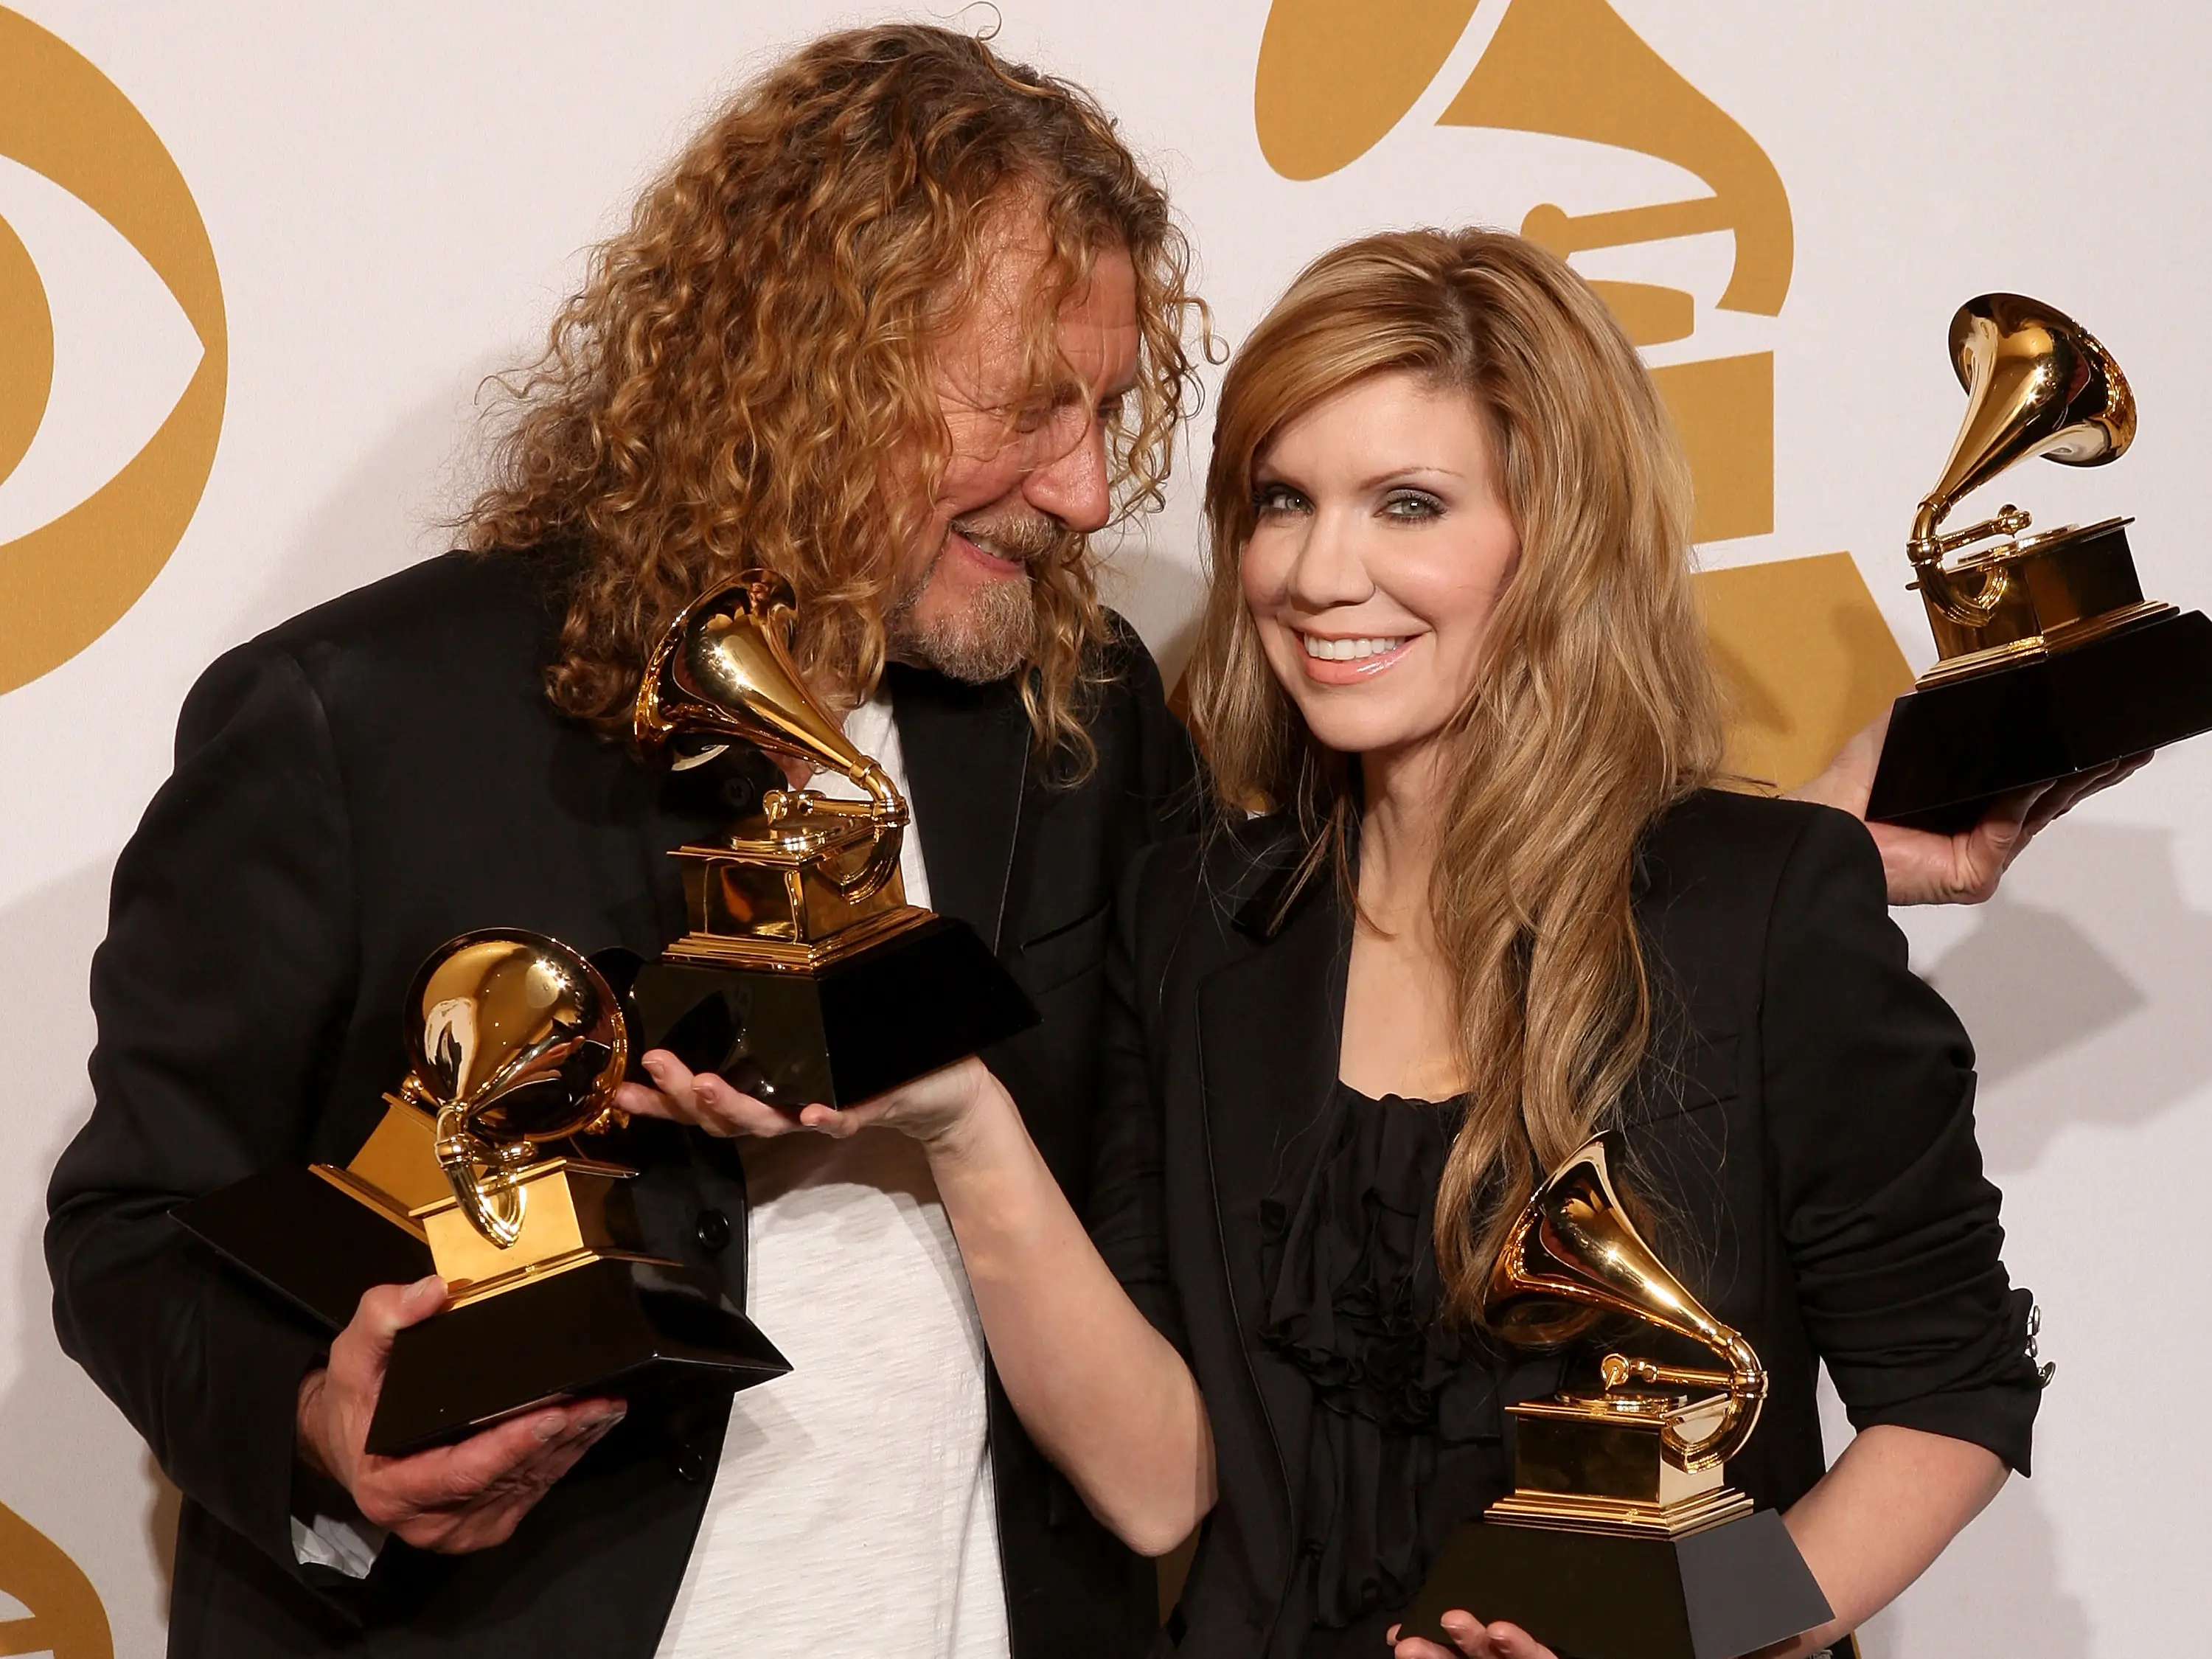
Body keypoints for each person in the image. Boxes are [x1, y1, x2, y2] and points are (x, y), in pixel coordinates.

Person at [44, 21, 2107, 1659]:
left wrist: (1797, 858)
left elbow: (1519, 869)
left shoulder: (1067, 719)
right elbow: (138, 1227)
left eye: (1119, 418)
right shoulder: (357, 722)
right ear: (806, 358)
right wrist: (322, 1432)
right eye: (1033, 407)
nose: (1083, 484)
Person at [790, 229, 2049, 1658]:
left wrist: (1692, 1631)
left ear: (1556, 534)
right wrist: (964, 1125)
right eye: (1282, 500)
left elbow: (1949, 1401)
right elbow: (1157, 1490)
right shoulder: (1196, 921)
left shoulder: (1762, 907)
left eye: (1407, 503)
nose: (1323, 571)